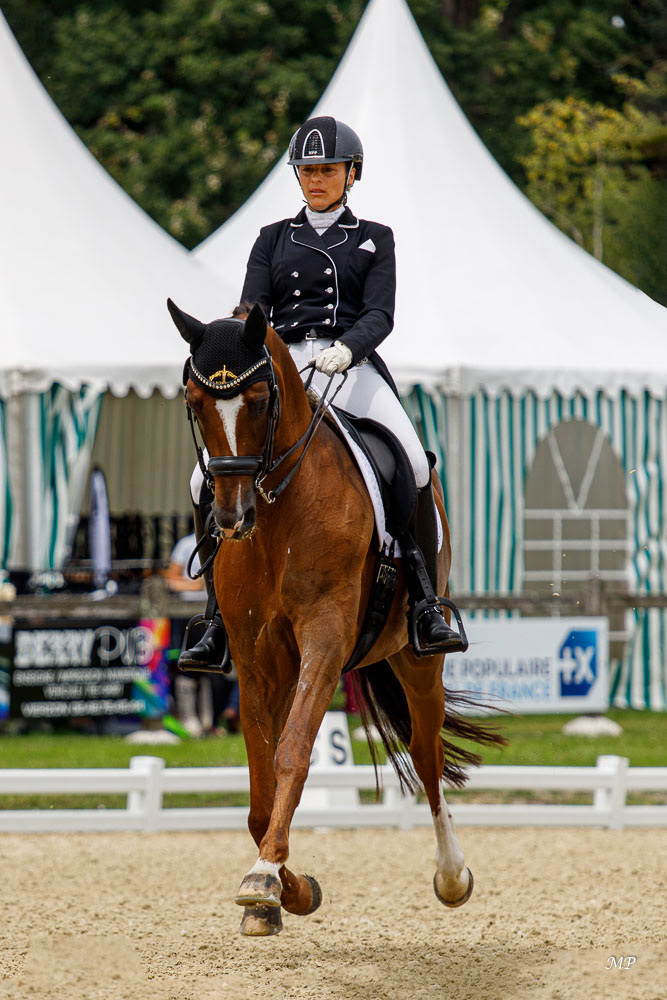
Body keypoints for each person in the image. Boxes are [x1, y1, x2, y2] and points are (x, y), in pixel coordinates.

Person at [182, 115, 463, 669]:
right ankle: (214, 618)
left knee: (413, 461)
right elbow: (251, 310)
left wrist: (348, 348)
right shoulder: (272, 239)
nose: (316, 180)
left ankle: (426, 603)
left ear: (351, 174)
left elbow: (380, 313)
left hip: (350, 365)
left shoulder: (374, 238)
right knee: (201, 478)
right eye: (308, 171)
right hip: (283, 368)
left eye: (328, 170)